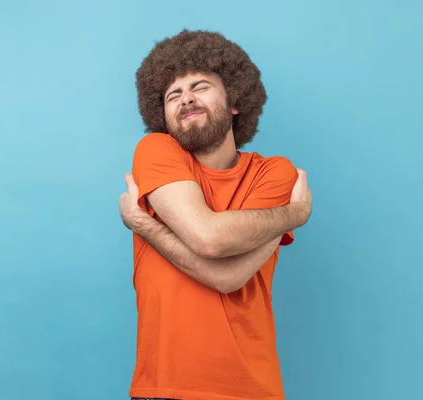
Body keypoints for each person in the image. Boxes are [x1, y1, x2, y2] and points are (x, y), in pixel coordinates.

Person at [118, 29, 312, 400]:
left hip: (253, 389)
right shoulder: (155, 151)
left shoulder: (274, 173)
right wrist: (294, 213)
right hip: (164, 388)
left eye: (200, 86)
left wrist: (145, 225)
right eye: (173, 94)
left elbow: (227, 274)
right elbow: (210, 239)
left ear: (235, 101)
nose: (186, 99)